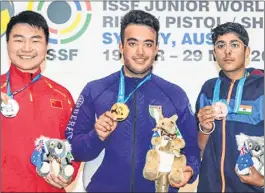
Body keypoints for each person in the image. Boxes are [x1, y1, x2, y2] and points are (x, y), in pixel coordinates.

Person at [65, 9, 200, 192]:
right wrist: (96, 136)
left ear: (156, 49)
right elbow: (73, 149)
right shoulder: (95, 90)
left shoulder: (174, 95)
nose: (140, 52)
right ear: (121, 46)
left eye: (148, 44)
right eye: (132, 43)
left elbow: (192, 149)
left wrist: (189, 170)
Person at [1, 10, 80, 192]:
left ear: (46, 46)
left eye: (35, 40)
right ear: (7, 44)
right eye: (19, 40)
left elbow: (75, 142)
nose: (27, 48)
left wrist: (68, 173)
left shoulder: (62, 96)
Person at [196, 22, 264, 192]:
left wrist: (263, 181)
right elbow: (199, 149)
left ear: (247, 52)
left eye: (234, 45)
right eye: (221, 45)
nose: (227, 51)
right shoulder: (208, 89)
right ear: (214, 53)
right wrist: (205, 129)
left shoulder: (262, 88)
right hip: (210, 187)